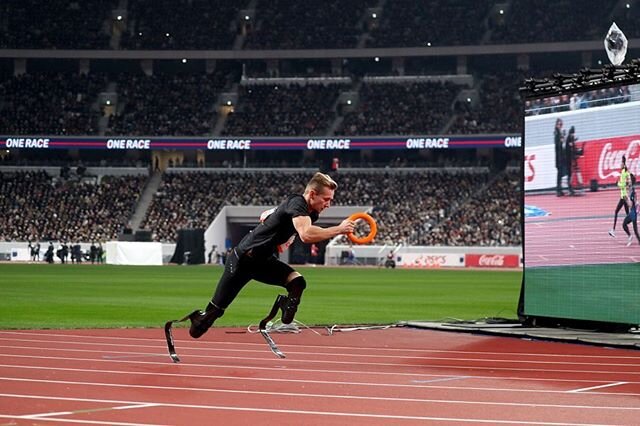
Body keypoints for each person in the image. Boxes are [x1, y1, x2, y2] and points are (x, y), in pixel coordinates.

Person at [187, 172, 355, 339]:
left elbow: (290, 222)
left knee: (297, 283)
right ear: (312, 194)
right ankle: (199, 318)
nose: (329, 204)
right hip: (243, 259)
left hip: (264, 262)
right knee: (208, 319)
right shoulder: (297, 202)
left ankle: (285, 320)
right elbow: (306, 234)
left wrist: (280, 229)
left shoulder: (311, 213)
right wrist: (339, 229)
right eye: (326, 199)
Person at [609, 156, 630, 237]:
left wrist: (618, 184)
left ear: (624, 164)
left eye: (621, 163)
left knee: (617, 212)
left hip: (624, 196)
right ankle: (628, 233)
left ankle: (614, 230)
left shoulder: (625, 173)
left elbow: (625, 184)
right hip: (623, 196)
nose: (620, 165)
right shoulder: (622, 173)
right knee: (628, 215)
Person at [622, 173, 640, 247]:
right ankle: (632, 237)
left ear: (631, 181)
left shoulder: (632, 191)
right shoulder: (630, 189)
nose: (627, 180)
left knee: (625, 225)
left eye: (628, 179)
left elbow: (631, 204)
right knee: (633, 229)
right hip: (633, 212)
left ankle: (630, 236)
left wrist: (626, 199)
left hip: (633, 213)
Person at [554, 118, 566, 196]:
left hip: (560, 156)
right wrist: (561, 140)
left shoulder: (559, 133)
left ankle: (559, 189)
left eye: (561, 124)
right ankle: (558, 190)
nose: (560, 126)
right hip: (559, 157)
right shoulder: (557, 133)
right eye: (559, 124)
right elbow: (558, 145)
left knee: (560, 174)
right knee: (559, 174)